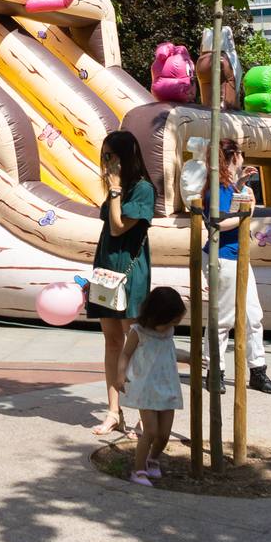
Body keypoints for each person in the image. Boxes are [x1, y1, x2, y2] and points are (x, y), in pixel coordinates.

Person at [89, 130, 155, 436]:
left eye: (109, 156)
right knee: (112, 340)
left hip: (130, 275)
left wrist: (115, 191)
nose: (105, 164)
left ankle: (144, 413)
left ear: (126, 157)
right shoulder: (118, 189)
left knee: (135, 343)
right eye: (104, 157)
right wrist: (114, 190)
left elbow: (117, 228)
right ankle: (114, 411)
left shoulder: (141, 190)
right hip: (106, 272)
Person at [213, 139, 271, 395]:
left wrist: (241, 188)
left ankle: (258, 370)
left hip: (240, 257)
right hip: (224, 257)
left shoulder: (230, 184)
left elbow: (232, 212)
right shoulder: (215, 185)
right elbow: (217, 222)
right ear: (232, 156)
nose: (243, 158)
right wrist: (245, 213)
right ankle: (215, 371)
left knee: (253, 316)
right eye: (241, 153)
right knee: (224, 319)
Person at [120, 286, 186, 487]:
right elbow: (125, 354)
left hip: (168, 386)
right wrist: (119, 374)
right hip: (145, 388)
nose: (173, 326)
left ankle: (153, 459)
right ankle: (138, 470)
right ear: (157, 317)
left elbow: (169, 351)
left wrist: (189, 358)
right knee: (150, 431)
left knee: (164, 434)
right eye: (170, 322)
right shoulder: (138, 332)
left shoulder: (168, 332)